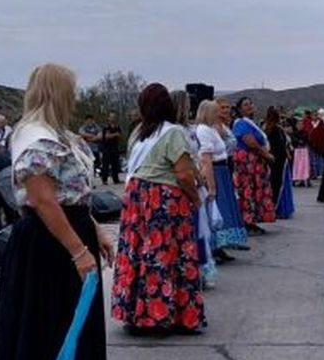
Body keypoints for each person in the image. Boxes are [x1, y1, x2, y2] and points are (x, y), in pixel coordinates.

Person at [0, 63, 116, 360]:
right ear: (57, 92)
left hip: (66, 231)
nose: (75, 97)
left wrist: (96, 231)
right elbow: (42, 199)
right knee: (51, 331)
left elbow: (71, 194)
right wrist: (78, 249)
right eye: (70, 90)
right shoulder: (36, 137)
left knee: (72, 328)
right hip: (49, 246)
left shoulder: (60, 137)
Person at [111, 83, 205, 335]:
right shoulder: (173, 133)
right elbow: (184, 174)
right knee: (165, 253)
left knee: (138, 251)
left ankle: (137, 312)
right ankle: (164, 313)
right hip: (163, 199)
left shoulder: (139, 133)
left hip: (136, 199)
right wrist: (196, 199)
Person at [194, 100, 247, 260]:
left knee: (224, 207)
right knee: (216, 208)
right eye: (215, 111)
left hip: (222, 170)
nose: (219, 114)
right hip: (215, 170)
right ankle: (214, 246)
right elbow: (206, 159)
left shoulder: (212, 128)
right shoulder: (203, 130)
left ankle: (220, 246)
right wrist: (211, 185)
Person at [230, 97, 276, 233]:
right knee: (247, 189)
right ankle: (247, 221)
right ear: (239, 109)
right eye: (245, 105)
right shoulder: (241, 123)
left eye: (250, 103)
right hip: (247, 161)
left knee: (255, 189)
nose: (249, 106)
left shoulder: (250, 123)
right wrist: (266, 155)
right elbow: (251, 142)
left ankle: (252, 220)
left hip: (254, 161)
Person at [267, 109, 294, 220]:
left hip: (280, 160)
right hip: (278, 160)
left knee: (277, 183)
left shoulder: (273, 129)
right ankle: (277, 208)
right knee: (278, 183)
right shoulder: (275, 130)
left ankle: (278, 208)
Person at [99, 114, 122, 185]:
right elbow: (106, 137)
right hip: (107, 148)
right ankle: (104, 179)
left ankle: (116, 179)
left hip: (115, 148)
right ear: (108, 119)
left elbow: (120, 136)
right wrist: (115, 135)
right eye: (111, 117)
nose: (112, 119)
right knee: (105, 164)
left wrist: (117, 135)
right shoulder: (106, 127)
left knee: (115, 164)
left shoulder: (117, 127)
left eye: (114, 117)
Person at [307, 109, 324, 182]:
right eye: (314, 115)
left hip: (322, 144)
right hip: (312, 144)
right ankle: (314, 173)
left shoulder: (323, 123)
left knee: (320, 159)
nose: (316, 116)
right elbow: (309, 132)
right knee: (314, 160)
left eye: (317, 115)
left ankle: (321, 173)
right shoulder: (311, 123)